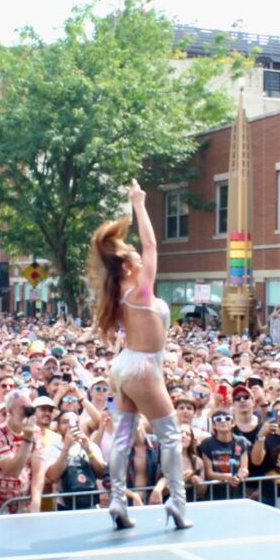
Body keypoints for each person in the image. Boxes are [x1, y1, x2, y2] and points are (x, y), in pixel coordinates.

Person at [86, 179, 192, 529]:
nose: (139, 254)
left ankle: (117, 501)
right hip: (143, 367)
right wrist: (140, 203)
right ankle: (178, 503)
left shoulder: (120, 292)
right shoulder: (141, 291)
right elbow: (152, 243)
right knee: (172, 436)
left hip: (126, 365)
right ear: (129, 266)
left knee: (122, 436)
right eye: (132, 255)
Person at [0, 389, 45, 514]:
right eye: (22, 409)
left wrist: (36, 500)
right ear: (9, 411)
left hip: (24, 504)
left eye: (30, 408)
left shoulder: (36, 432)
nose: (27, 413)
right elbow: (13, 470)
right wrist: (27, 439)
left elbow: (38, 470)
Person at [44, 411, 106, 510]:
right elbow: (52, 477)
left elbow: (102, 473)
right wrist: (66, 448)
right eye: (65, 422)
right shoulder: (51, 449)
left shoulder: (91, 446)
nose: (69, 426)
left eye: (74, 422)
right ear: (59, 427)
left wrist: (88, 449)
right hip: (64, 506)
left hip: (91, 504)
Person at [199, 408, 251, 501]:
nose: (223, 422)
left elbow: (244, 467)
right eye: (218, 419)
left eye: (227, 418)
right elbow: (209, 473)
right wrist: (228, 477)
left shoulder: (241, 441)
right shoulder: (207, 444)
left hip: (237, 493)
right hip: (215, 494)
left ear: (233, 423)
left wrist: (241, 475)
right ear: (214, 425)